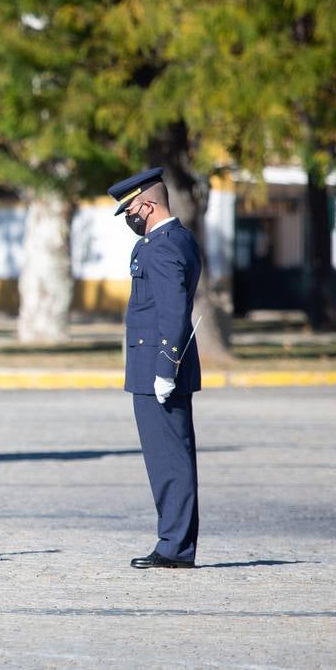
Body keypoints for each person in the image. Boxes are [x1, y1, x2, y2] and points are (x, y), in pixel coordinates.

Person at [108, 168, 203, 570]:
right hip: (158, 363)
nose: (129, 217)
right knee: (169, 457)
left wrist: (165, 368)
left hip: (159, 366)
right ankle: (175, 541)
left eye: (130, 209)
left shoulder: (161, 246)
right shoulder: (177, 238)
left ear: (147, 205)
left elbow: (173, 309)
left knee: (169, 460)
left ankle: (174, 546)